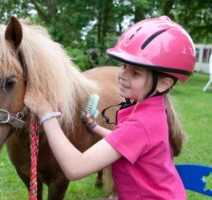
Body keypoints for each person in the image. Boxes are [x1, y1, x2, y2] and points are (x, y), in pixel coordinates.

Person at [24, 16, 195, 200]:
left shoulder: (140, 124)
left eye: (135, 73)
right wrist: (96, 128)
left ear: (163, 84)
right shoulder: (151, 110)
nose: (122, 75)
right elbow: (125, 144)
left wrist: (47, 115)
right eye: (123, 66)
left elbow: (75, 168)